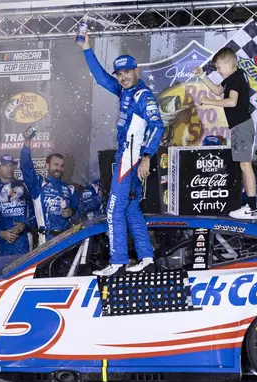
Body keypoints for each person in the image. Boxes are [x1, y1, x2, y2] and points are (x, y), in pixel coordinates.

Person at [78, 32, 165, 275]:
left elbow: (158, 125)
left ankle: (118, 263)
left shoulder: (142, 95)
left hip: (131, 158)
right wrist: (87, 48)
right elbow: (101, 78)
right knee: (130, 209)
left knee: (114, 209)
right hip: (127, 157)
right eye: (120, 74)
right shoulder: (125, 91)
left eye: (127, 72)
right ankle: (147, 258)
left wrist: (147, 156)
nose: (123, 77)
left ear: (136, 71)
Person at [193, 47, 257, 219]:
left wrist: (208, 102)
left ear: (230, 64)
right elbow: (217, 90)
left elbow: (231, 102)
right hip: (239, 126)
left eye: (219, 67)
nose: (218, 71)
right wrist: (202, 76)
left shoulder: (236, 78)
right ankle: (250, 205)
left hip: (242, 126)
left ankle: (252, 207)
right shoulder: (233, 78)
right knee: (243, 165)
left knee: (245, 165)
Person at [20, 127, 79, 244]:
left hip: (66, 239)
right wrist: (27, 142)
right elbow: (26, 166)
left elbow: (77, 211)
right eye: (56, 164)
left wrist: (71, 211)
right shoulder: (38, 184)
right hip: (46, 239)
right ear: (46, 166)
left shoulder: (69, 189)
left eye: (62, 166)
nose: (59, 168)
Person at [0, 155, 35, 256]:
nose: (9, 168)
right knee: (2, 270)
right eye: (5, 165)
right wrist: (1, 233)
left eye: (11, 165)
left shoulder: (24, 186)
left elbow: (35, 212)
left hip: (23, 239)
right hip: (2, 242)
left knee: (25, 270)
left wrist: (25, 224)